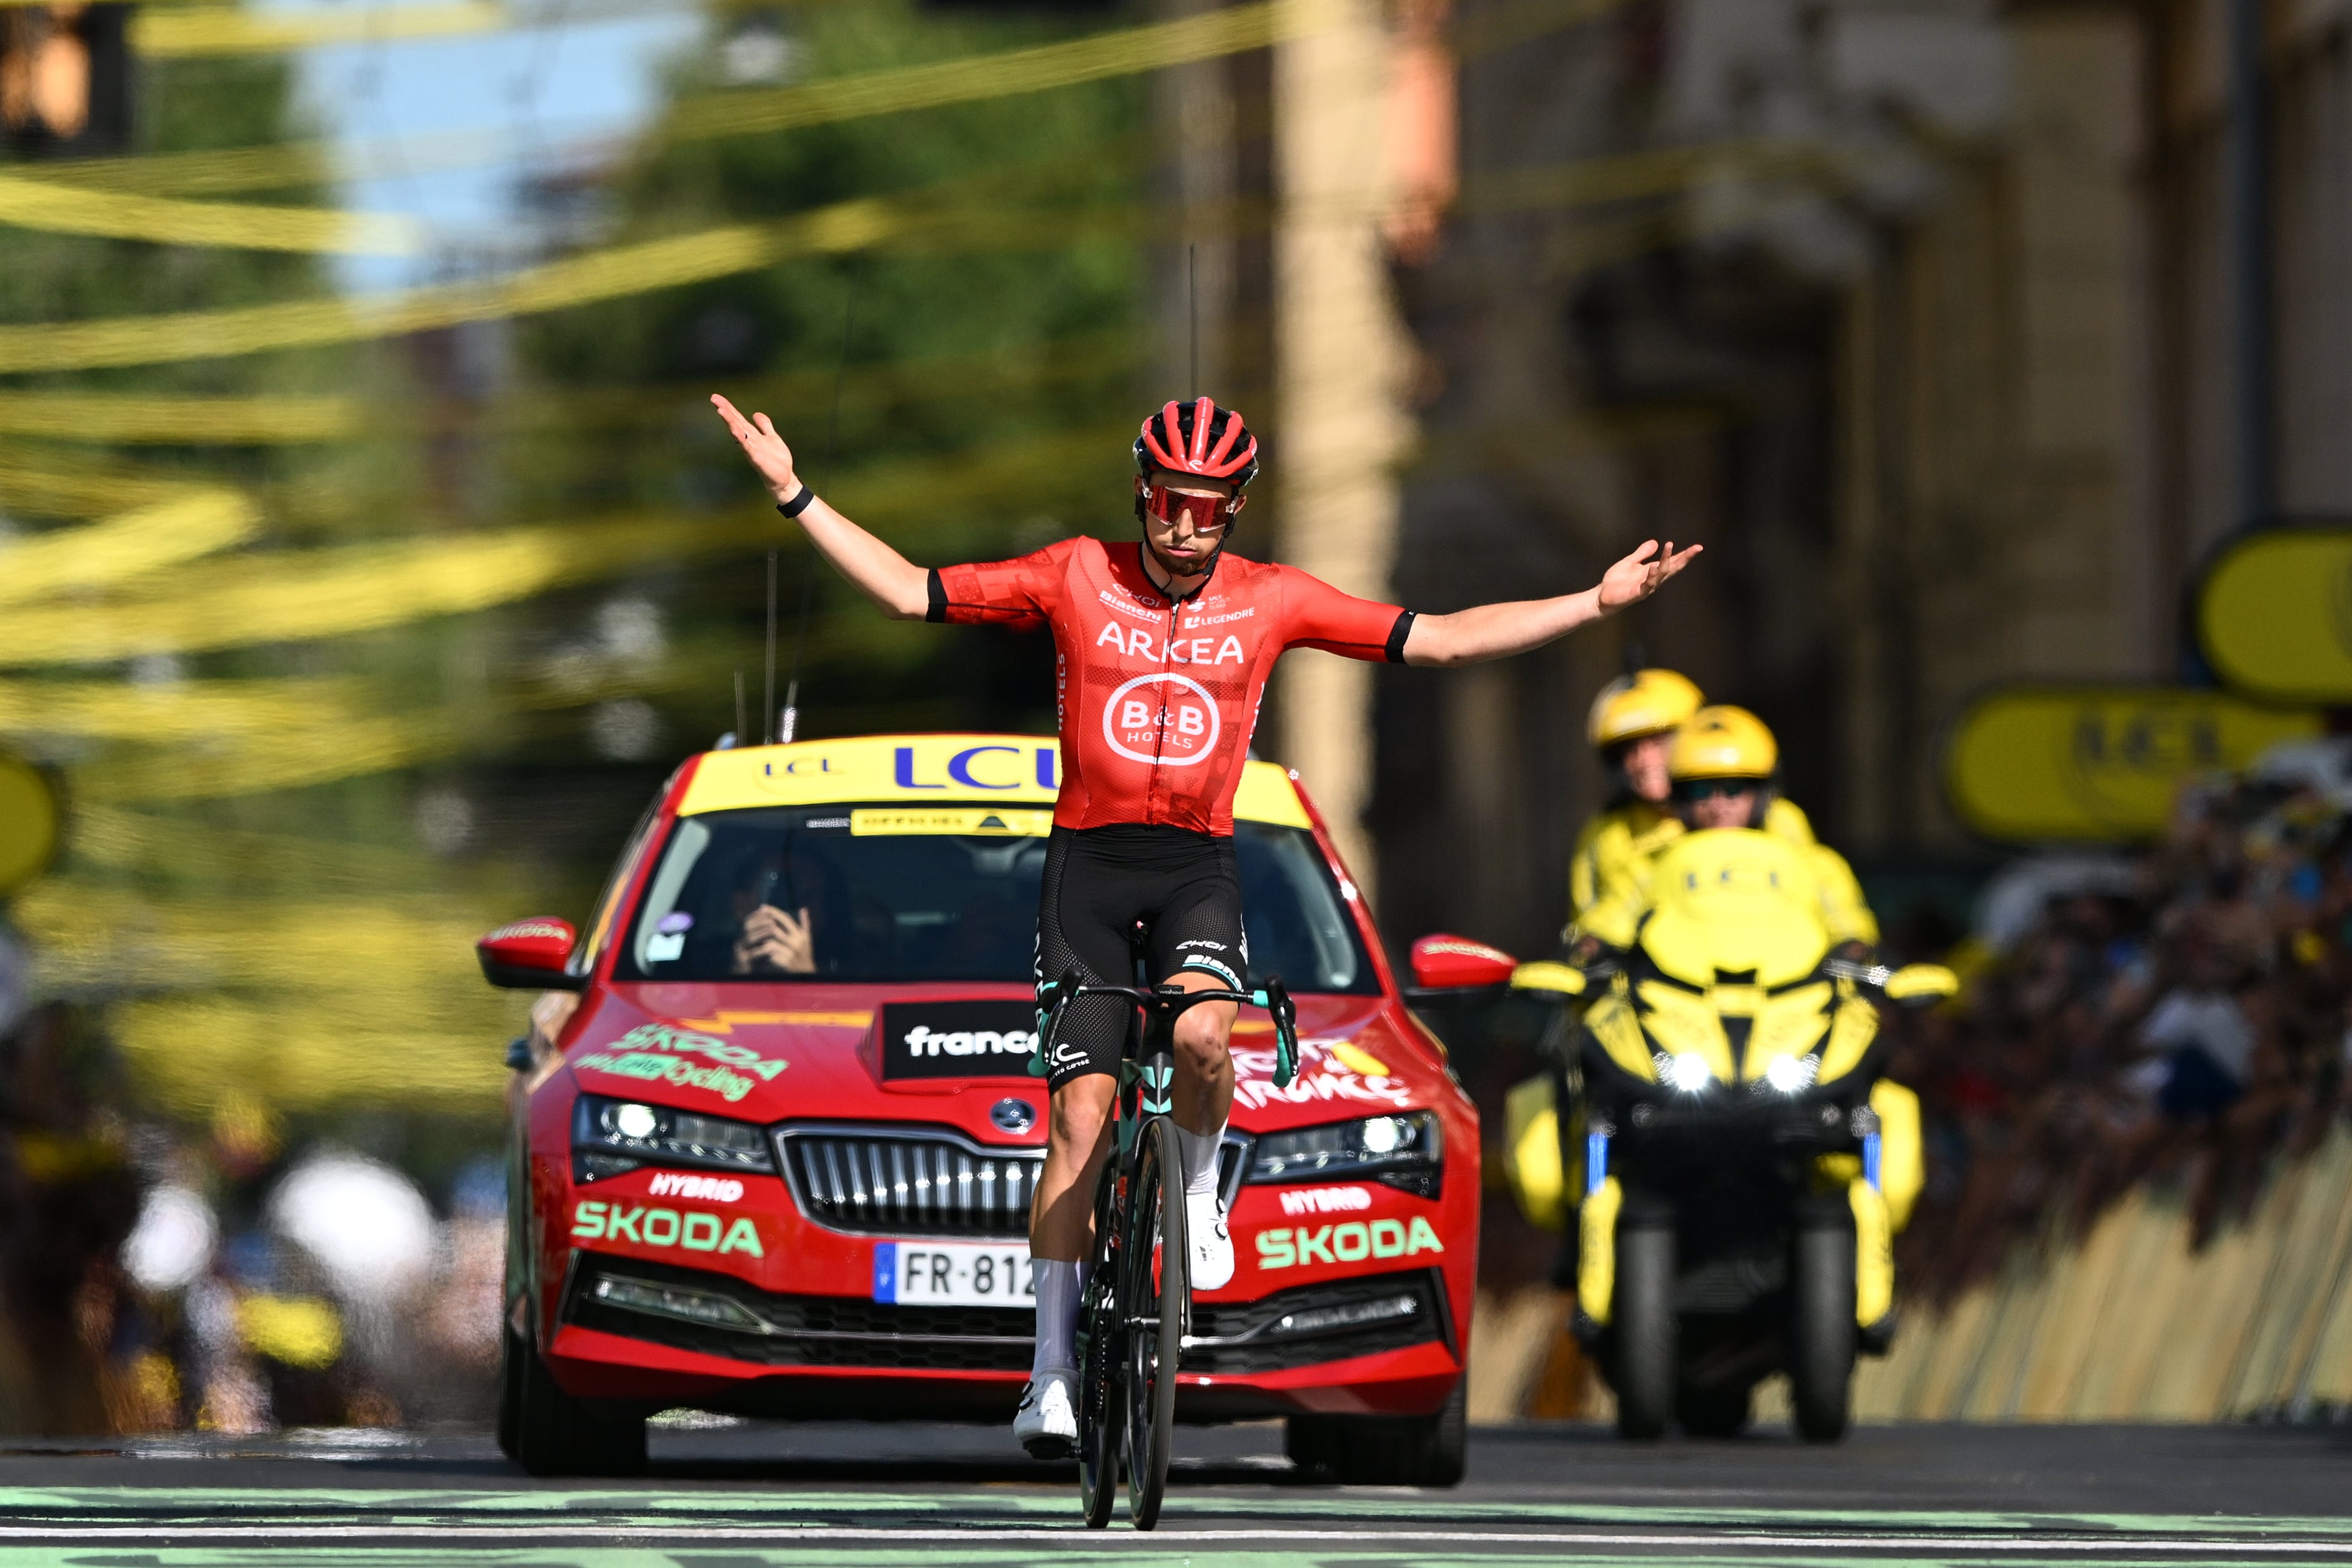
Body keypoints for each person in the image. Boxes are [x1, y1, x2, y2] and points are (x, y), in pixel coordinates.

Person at [709, 389, 1702, 1458]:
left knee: (1199, 1034)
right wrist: (794, 493)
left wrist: (1594, 603)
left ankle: (1192, 1192)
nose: (1185, 527)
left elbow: (1444, 641)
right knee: (1080, 1117)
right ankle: (1047, 1373)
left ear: (1235, 509)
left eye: (1210, 509)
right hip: (1088, 866)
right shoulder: (1074, 572)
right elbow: (910, 593)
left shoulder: (1271, 598)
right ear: (1144, 494)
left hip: (1195, 864)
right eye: (1171, 503)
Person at [1579, 704, 1877, 952]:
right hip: (1684, 1005)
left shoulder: (1813, 865)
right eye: (1699, 791)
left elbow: (1847, 922)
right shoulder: (1654, 863)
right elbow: (1613, 915)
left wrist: (1856, 949)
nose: (1718, 805)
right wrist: (1589, 947)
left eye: (1734, 788)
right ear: (1680, 799)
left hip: (1790, 1002)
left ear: (1761, 795)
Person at [1567, 668, 1703, 933]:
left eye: (1659, 742)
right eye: (1630, 749)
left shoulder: (1768, 816)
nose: (1644, 761)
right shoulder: (1603, 836)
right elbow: (1585, 932)